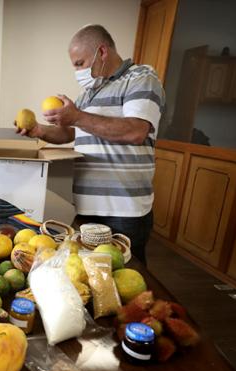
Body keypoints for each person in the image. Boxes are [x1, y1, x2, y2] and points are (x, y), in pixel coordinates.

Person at [17, 24, 165, 265]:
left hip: (123, 210)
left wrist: (76, 116)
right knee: (93, 274)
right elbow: (71, 134)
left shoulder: (141, 78)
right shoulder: (89, 92)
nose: (77, 71)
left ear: (102, 52)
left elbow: (136, 131)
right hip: (87, 207)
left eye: (79, 63)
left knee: (128, 277)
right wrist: (38, 130)